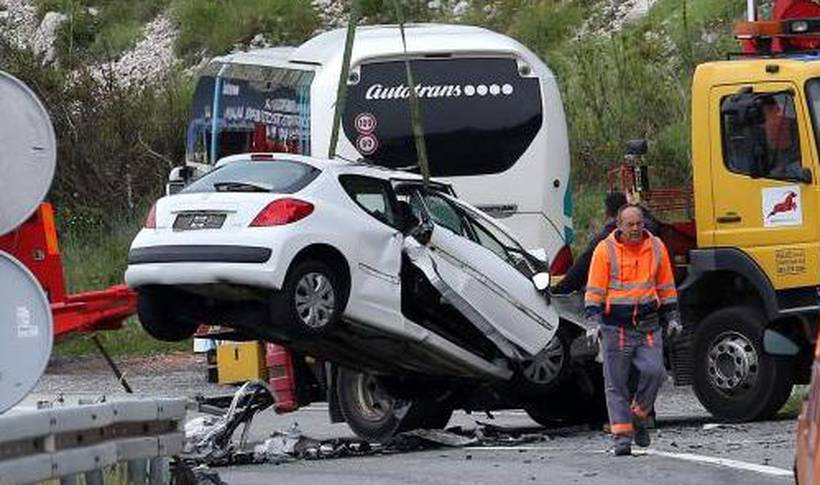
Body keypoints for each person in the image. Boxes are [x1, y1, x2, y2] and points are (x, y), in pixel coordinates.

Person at [583, 204, 683, 456]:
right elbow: (595, 289)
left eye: (639, 223)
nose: (636, 228)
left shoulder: (656, 247)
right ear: (619, 226)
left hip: (648, 326)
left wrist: (672, 316)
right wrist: (593, 322)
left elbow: (666, 285)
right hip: (615, 327)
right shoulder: (604, 251)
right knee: (616, 385)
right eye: (630, 224)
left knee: (655, 372)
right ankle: (622, 438)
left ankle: (639, 414)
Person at [552, 192, 627, 294]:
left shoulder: (606, 238)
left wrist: (558, 291)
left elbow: (580, 269)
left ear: (607, 211)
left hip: (616, 300)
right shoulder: (646, 230)